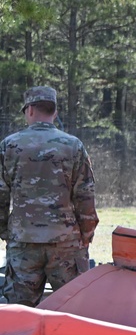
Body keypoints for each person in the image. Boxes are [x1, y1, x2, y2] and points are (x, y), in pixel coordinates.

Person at [0, 85, 99, 306]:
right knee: (73, 310)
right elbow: (85, 195)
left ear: (30, 110)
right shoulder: (73, 146)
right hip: (66, 244)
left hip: (23, 242)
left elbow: (0, 195)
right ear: (54, 112)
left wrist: (7, 231)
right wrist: (86, 234)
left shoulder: (9, 146)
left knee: (20, 314)